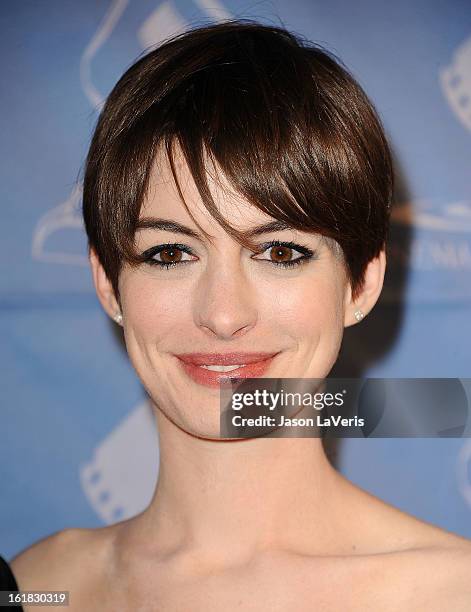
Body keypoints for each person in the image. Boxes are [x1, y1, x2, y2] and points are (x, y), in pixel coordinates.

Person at [8, 19, 471, 610]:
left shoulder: (453, 593)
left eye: (280, 253)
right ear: (108, 284)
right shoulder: (37, 588)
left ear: (361, 282)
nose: (223, 315)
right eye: (170, 253)